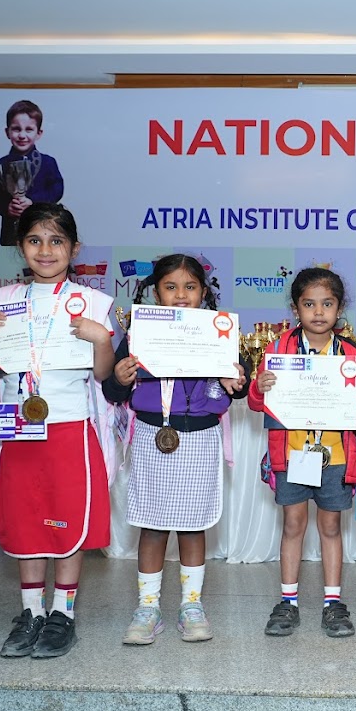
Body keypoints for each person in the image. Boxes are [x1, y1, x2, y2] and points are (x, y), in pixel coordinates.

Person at [0, 203, 115, 659]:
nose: (45, 250)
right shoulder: (7, 298)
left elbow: (103, 374)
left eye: (56, 241)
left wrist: (102, 340)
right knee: (27, 518)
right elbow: (2, 362)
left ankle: (62, 614)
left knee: (67, 520)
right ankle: (31, 612)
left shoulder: (92, 303)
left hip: (69, 425)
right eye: (34, 240)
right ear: (20, 246)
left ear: (74, 248)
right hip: (20, 429)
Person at [103, 255, 247, 645]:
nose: (181, 295)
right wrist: (119, 378)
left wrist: (237, 379)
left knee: (193, 524)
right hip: (153, 435)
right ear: (155, 292)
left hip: (200, 437)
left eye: (190, 287)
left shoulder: (218, 331)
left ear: (203, 292)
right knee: (152, 525)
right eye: (170, 287)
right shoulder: (138, 333)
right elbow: (112, 390)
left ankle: (191, 605)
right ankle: (147, 608)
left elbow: (240, 385)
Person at [247, 267, 356, 639]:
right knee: (292, 525)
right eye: (309, 304)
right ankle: (287, 602)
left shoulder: (352, 355)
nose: (318, 312)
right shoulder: (278, 350)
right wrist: (259, 388)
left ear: (339, 308)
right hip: (292, 455)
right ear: (295, 309)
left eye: (327, 304)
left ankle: (332, 602)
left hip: (335, 457)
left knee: (331, 527)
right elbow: (257, 403)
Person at [0, 100, 65, 247]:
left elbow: (57, 190)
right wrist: (7, 207)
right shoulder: (0, 165)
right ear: (7, 132)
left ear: (39, 133)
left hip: (42, 230)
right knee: (10, 260)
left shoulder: (48, 162)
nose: (22, 135)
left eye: (29, 129)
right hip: (10, 234)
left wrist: (33, 202)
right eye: (16, 129)